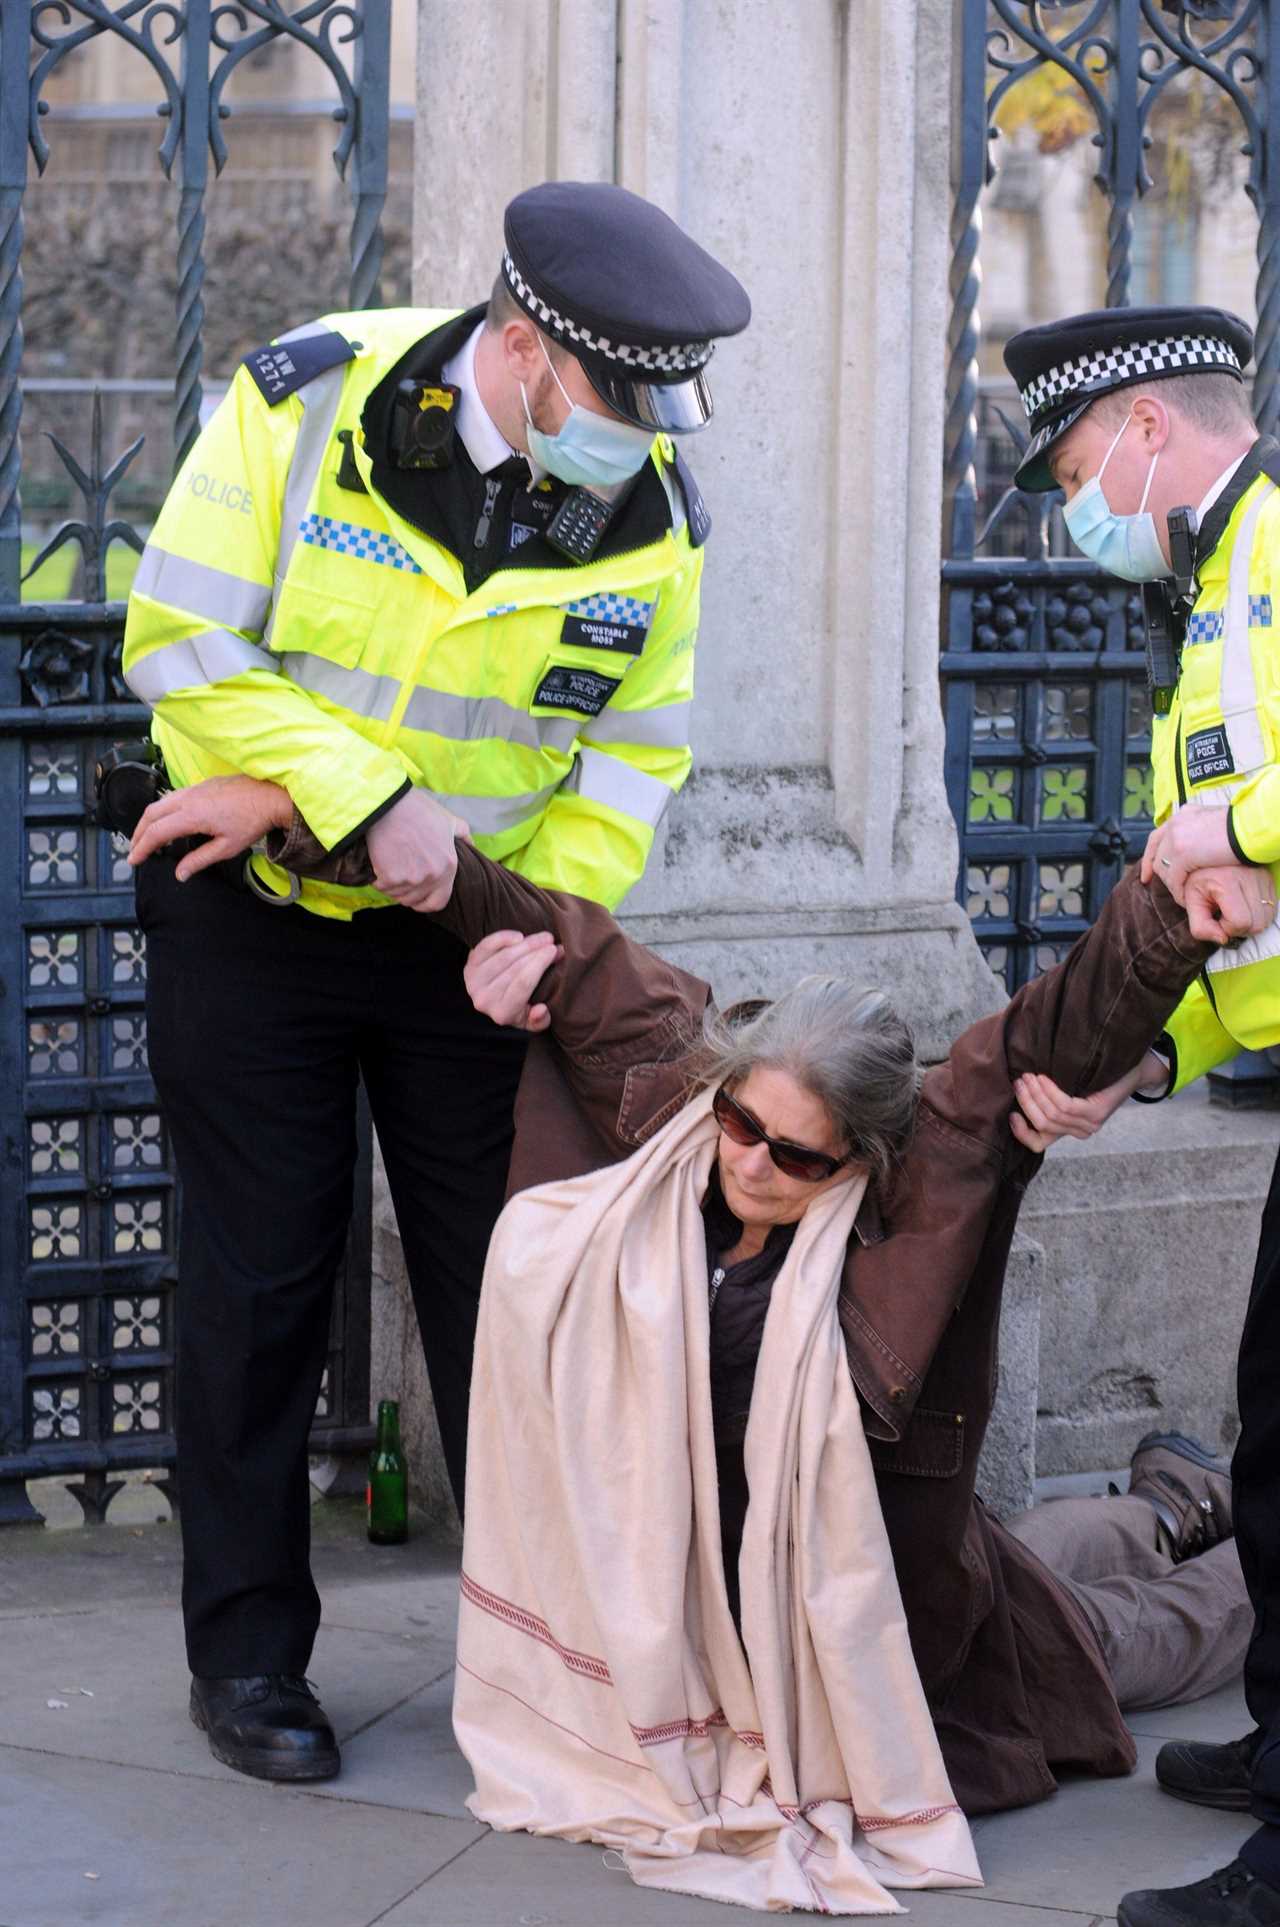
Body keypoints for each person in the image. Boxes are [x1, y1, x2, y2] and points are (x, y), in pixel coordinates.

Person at [132, 769, 1272, 1840]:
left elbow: (1051, 1030)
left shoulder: (920, 1177)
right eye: (741, 1124)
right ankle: (1177, 1496)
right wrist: (316, 818)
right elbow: (521, 915)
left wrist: (1168, 909)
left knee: (1133, 1628)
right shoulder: (674, 1097)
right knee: (1038, 1555)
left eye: (797, 1154)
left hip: (868, 1597)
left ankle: (1237, 1539)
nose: (755, 1162)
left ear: (866, 1159)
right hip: (725, 1589)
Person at [118, 178, 750, 1785]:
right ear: (525, 349)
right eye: (615, 401)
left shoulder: (650, 515)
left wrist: (549, 923)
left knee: (508, 1297)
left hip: (472, 949)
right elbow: (181, 640)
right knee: (259, 1283)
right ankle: (251, 1659)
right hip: (252, 912)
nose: (639, 434)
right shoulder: (308, 399)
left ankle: (537, 1659)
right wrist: (354, 795)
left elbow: (628, 756)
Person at [1003, 305, 1280, 1927]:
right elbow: (1233, 907)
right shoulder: (1229, 576)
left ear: (1150, 435)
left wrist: (1239, 815)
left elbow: (1239, 841)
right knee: (1270, 1421)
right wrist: (1142, 1058)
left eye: (1077, 462)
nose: (1076, 500)